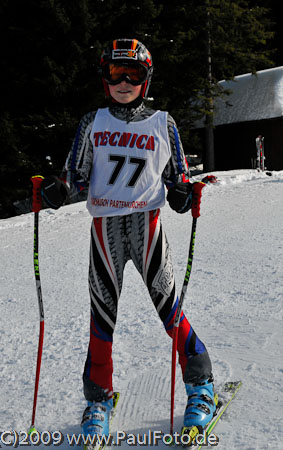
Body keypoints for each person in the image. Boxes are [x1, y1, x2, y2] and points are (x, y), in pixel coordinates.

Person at [41, 38, 216, 438]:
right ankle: (98, 399)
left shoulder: (163, 123)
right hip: (104, 229)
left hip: (147, 227)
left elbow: (179, 179)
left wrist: (185, 193)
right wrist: (57, 188)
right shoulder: (93, 122)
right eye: (115, 74)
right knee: (101, 316)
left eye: (132, 74)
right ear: (105, 78)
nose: (123, 82)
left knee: (169, 307)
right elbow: (76, 175)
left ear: (146, 79)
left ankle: (201, 385)